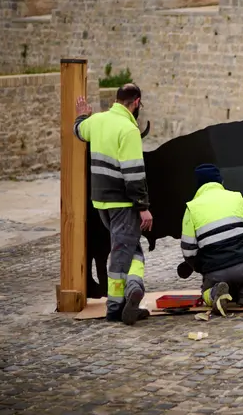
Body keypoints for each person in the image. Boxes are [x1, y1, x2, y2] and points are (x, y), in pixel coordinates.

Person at [73, 83, 153, 325]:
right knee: (121, 253)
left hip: (101, 202)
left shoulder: (97, 120)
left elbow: (79, 131)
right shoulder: (128, 129)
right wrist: (143, 207)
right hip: (122, 203)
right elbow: (134, 173)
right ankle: (116, 307)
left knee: (130, 247)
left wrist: (82, 115)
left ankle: (133, 288)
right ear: (136, 103)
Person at [176, 163, 243, 314]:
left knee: (205, 294)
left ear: (198, 186)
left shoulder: (192, 208)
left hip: (215, 272)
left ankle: (215, 292)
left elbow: (188, 251)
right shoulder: (237, 198)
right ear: (221, 181)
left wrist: (202, 268)